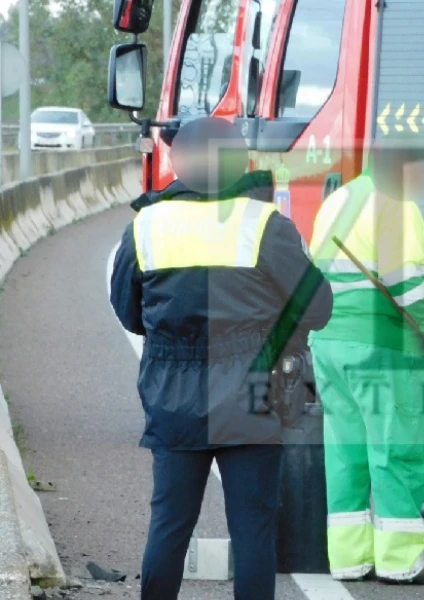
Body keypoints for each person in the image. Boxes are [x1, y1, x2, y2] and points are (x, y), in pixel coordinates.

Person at [108, 116, 334, 600]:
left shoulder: (145, 225)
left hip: (173, 398)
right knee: (254, 530)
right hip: (252, 396)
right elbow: (317, 308)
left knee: (169, 525)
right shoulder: (264, 224)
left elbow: (128, 312)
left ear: (178, 162)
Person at [306, 132, 424, 585]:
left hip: (330, 342)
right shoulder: (396, 202)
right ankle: (398, 562)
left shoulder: (339, 199)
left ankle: (349, 559)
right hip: (382, 345)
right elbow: (410, 280)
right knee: (396, 450)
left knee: (346, 451)